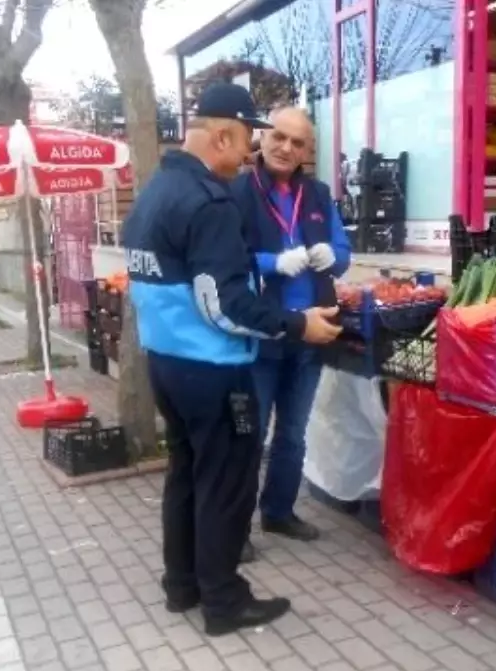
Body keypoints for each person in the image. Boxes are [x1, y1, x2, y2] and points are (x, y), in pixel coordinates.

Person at [121, 83, 343, 637]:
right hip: (213, 368)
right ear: (222, 134)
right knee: (225, 484)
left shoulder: (154, 192)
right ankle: (224, 601)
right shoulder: (210, 200)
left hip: (167, 362)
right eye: (247, 140)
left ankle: (183, 585)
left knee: (187, 475)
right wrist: (298, 324)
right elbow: (222, 302)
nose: (248, 153)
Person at [230, 107, 352, 557]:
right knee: (251, 434)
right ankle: (235, 528)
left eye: (297, 143)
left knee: (294, 432)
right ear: (263, 139)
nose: (286, 148)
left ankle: (278, 512)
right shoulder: (237, 192)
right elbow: (225, 259)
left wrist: (331, 256)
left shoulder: (318, 193)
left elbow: (343, 252)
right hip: (261, 332)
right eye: (279, 137)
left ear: (306, 151)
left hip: (312, 331)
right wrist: (270, 263)